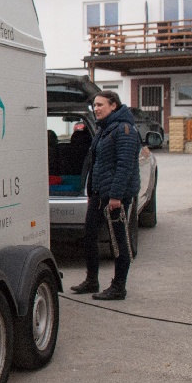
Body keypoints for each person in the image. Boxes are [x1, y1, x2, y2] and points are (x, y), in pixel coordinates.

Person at [69, 90, 140, 301]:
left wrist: (116, 196)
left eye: (100, 105)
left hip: (115, 197)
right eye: (95, 105)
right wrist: (91, 192)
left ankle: (118, 287)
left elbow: (125, 166)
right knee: (89, 236)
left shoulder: (124, 130)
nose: (96, 109)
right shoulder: (105, 129)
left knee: (118, 242)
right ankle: (92, 280)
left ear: (113, 105)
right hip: (99, 195)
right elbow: (96, 164)